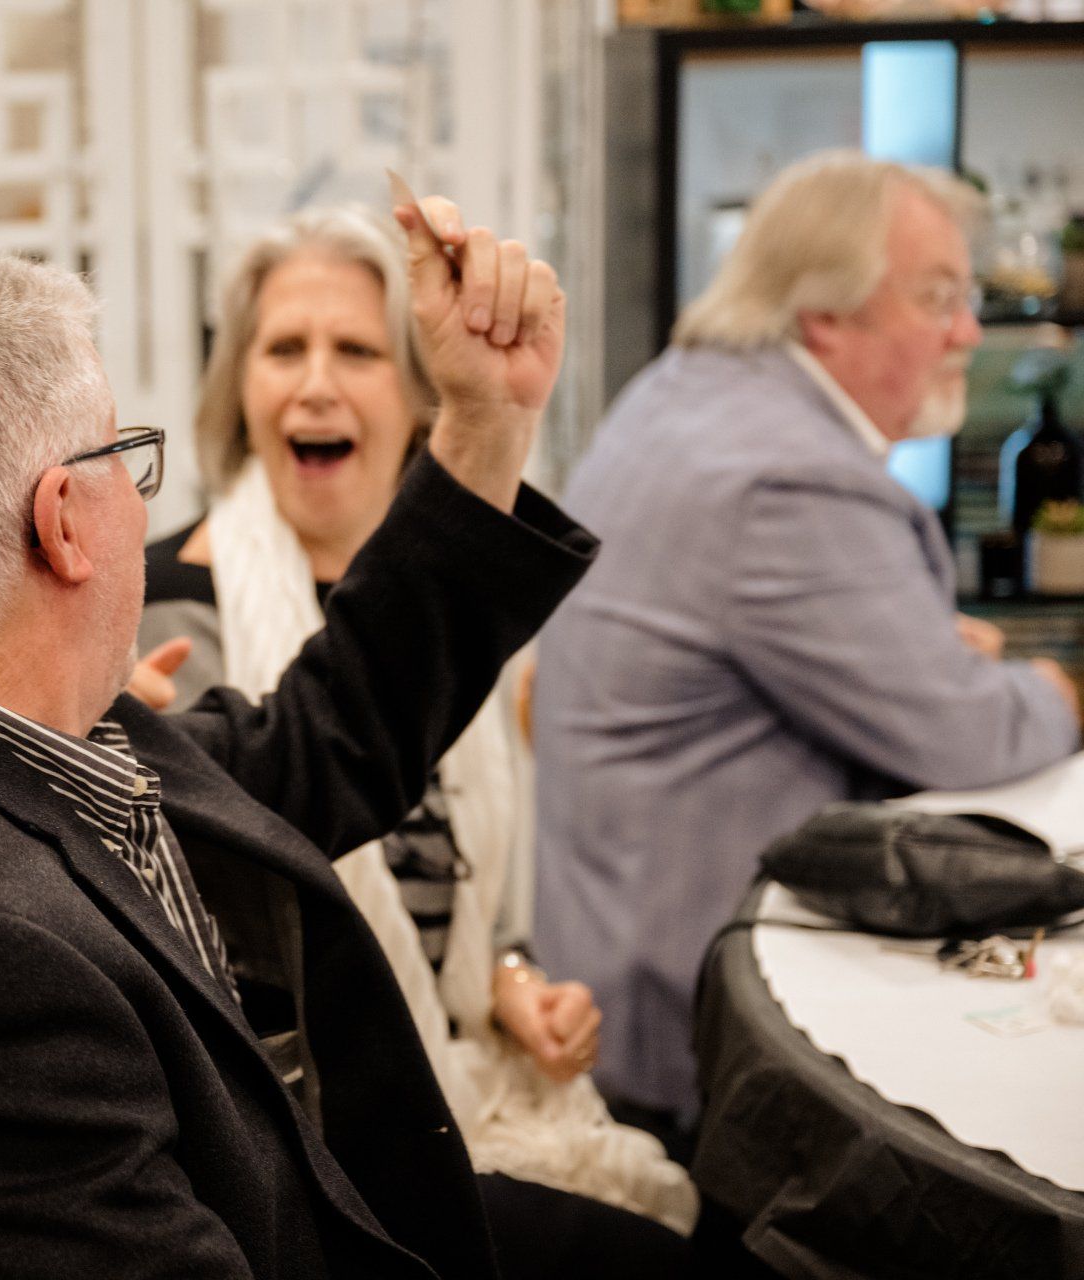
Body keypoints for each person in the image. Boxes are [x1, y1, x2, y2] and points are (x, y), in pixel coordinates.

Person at [0, 188, 592, 1280]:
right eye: (124, 451)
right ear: (65, 521)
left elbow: (323, 740)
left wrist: (487, 419)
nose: (145, 497)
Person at [133, 206, 697, 1254]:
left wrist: (514, 984)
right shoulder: (169, 606)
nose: (314, 383)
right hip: (304, 1133)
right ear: (239, 388)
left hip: (465, 1073)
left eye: (353, 350)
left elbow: (470, 900)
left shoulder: (451, 606)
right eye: (283, 349)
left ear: (416, 393)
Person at [531, 150, 1083, 1138]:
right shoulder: (787, 477)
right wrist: (1049, 686)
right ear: (826, 314)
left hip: (610, 955)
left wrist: (921, 650)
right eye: (938, 297)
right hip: (705, 1037)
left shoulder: (690, 389)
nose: (968, 329)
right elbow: (969, 734)